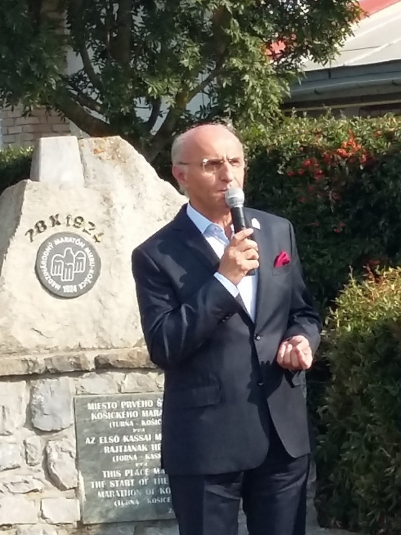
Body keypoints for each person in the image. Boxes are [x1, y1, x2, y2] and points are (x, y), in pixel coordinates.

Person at [131, 123, 321, 535]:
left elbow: (302, 310)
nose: (228, 175)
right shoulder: (155, 255)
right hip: (206, 444)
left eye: (235, 162)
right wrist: (223, 280)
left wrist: (302, 339)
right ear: (180, 175)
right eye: (212, 164)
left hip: (281, 434)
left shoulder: (275, 230)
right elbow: (165, 344)